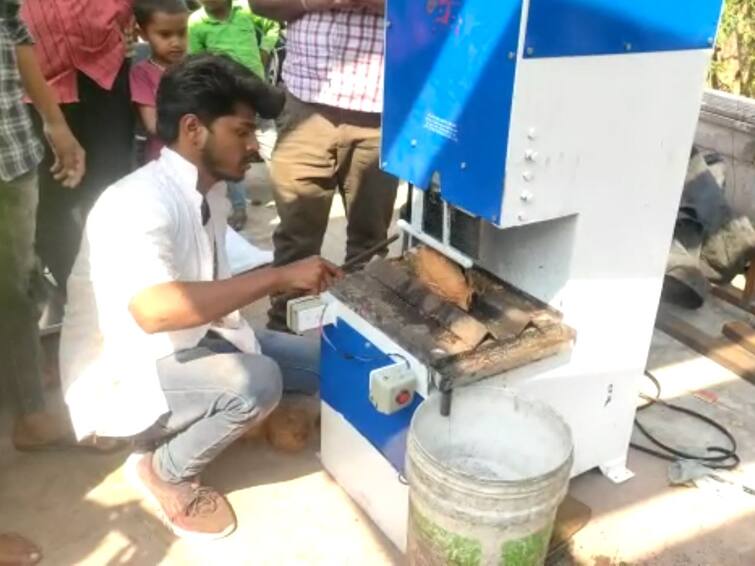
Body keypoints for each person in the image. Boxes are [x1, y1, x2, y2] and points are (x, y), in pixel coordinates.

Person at [60, 54, 341, 540]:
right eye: (243, 131)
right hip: (132, 367)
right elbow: (153, 311)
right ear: (194, 129)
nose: (254, 146)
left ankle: (207, 407)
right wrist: (278, 278)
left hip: (195, 340)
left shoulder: (205, 191)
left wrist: (284, 279)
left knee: (324, 363)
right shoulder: (137, 201)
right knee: (257, 384)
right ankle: (161, 468)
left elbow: (210, 288)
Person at [249, 0, 398, 331]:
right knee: (296, 238)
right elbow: (258, 4)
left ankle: (359, 337)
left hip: (380, 116)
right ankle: (286, 336)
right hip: (305, 110)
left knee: (370, 244)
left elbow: (439, 13)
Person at [0, 1, 85, 563]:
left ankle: (31, 412)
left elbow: (14, 27)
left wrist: (56, 124)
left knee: (14, 292)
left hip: (9, 152)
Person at [20, 0, 136, 290]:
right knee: (50, 202)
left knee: (112, 190)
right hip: (33, 88)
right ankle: (78, 294)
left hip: (106, 68)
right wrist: (54, 122)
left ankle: (121, 288)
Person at [189, 0, 281, 230]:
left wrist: (264, 50)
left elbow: (273, 26)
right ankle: (238, 207)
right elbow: (195, 63)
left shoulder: (246, 9)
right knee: (232, 153)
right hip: (226, 103)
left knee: (275, 150)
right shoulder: (196, 23)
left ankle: (286, 199)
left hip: (256, 96)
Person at [131, 0, 190, 163]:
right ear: (143, 33)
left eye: (182, 33)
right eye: (165, 34)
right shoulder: (142, 74)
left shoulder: (195, 67)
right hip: (164, 160)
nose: (176, 42)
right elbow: (153, 125)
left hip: (201, 160)